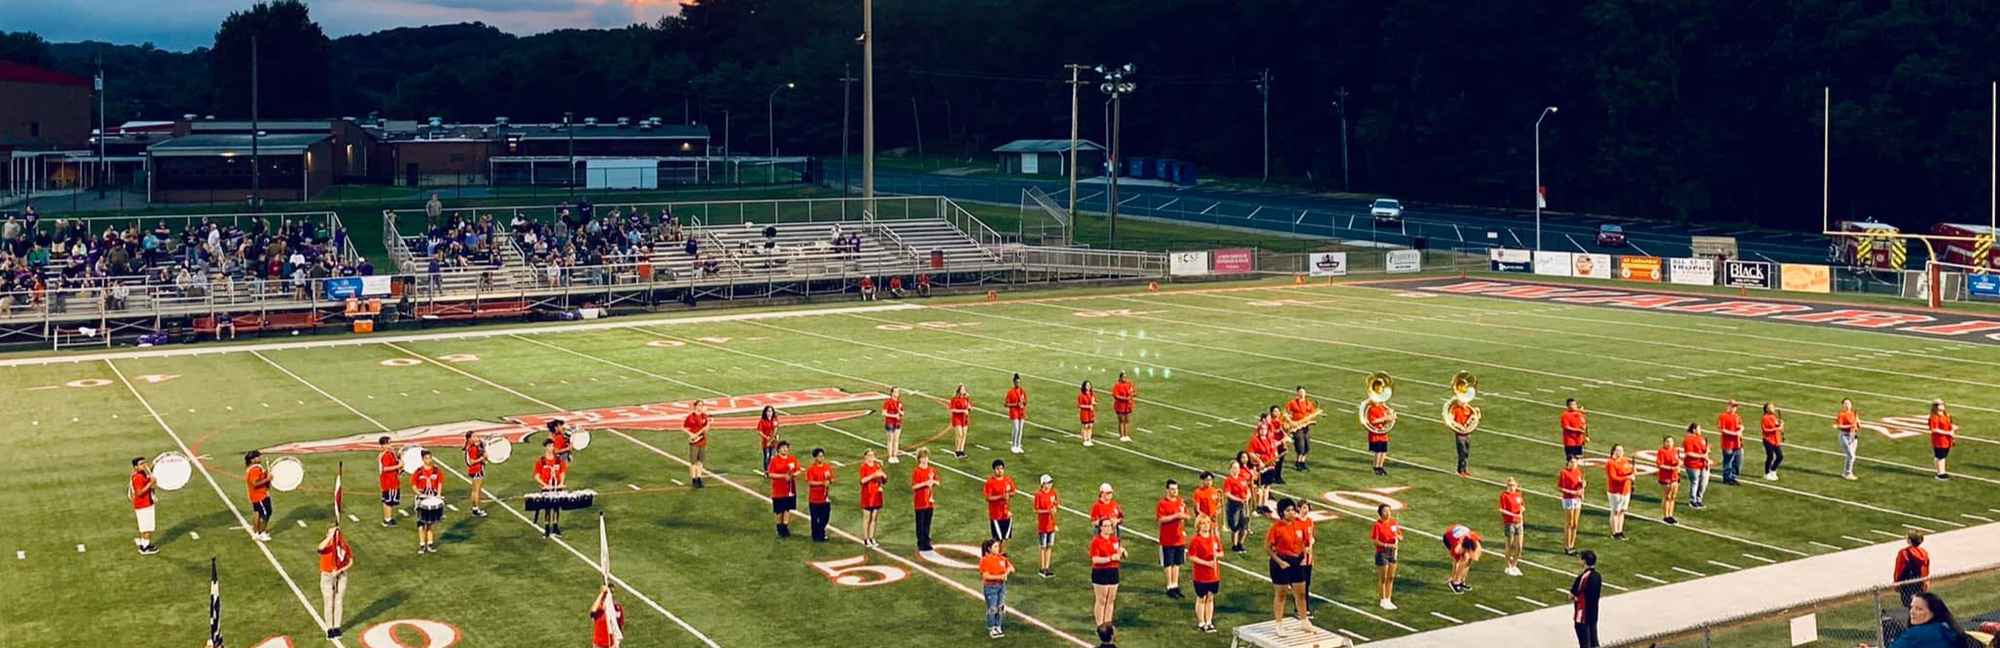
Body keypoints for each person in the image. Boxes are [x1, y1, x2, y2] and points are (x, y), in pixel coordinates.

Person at [1863, 592, 1974, 648]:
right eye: (1911, 607)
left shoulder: (1916, 635)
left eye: (1919, 609)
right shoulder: (1948, 627)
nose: (1912, 612)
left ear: (1933, 611)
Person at [1266, 499, 1309, 630]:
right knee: (1281, 594)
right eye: (1288, 510)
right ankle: (1279, 623)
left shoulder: (1300, 525)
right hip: (1281, 562)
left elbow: (1306, 544)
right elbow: (1268, 548)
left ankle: (1304, 621)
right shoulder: (1276, 528)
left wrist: (1304, 557)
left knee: (1301, 593)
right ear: (1281, 512)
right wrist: (1280, 562)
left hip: (1297, 561)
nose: (1291, 512)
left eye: (1292, 509)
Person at [1088, 518, 1127, 638]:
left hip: (1113, 571)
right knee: (1102, 600)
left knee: (1111, 599)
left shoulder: (1115, 539)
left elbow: (1118, 552)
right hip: (1100, 572)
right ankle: (1100, 626)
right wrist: (1110, 558)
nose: (1107, 528)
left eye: (1109, 526)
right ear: (1100, 528)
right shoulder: (1096, 541)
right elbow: (1095, 559)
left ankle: (1108, 624)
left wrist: (1123, 552)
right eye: (1105, 526)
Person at [1188, 514, 1223, 633]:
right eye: (1203, 523)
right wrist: (1206, 563)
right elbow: (1192, 557)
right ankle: (1201, 622)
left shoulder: (1214, 539)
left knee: (1211, 597)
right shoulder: (1196, 540)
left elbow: (1221, 552)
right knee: (1201, 598)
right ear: (1198, 526)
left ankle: (1209, 621)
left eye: (1208, 523)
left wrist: (1216, 555)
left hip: (1213, 575)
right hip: (1201, 575)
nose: (1206, 525)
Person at [318, 521, 353, 639]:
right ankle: (329, 628)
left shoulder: (343, 545)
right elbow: (320, 548)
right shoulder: (326, 544)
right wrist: (329, 537)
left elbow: (350, 561)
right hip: (327, 575)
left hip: (341, 575)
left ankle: (337, 627)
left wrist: (340, 570)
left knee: (339, 600)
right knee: (328, 601)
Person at [1156, 479, 1188, 599]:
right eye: (1172, 489)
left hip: (1179, 537)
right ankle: (1169, 586)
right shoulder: (1162, 503)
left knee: (1177, 563)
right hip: (1167, 538)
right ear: (1167, 490)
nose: (1175, 491)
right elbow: (1160, 519)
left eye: (1176, 489)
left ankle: (1175, 585)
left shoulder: (1181, 502)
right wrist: (1175, 516)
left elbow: (1186, 515)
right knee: (1168, 563)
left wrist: (1183, 516)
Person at [980, 538, 1016, 639]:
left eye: (998, 546)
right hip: (991, 587)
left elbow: (1011, 568)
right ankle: (991, 628)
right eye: (995, 546)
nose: (998, 548)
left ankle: (998, 626)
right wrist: (1000, 577)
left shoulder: (1001, 558)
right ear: (989, 549)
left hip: (1001, 586)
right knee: (992, 608)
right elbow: (985, 576)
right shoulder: (985, 560)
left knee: (1000, 607)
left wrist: (1006, 572)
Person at [766, 442, 802, 539]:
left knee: (787, 509)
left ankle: (785, 528)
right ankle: (779, 528)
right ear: (778, 450)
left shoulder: (792, 459)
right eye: (783, 448)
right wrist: (783, 476)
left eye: (786, 448)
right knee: (779, 511)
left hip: (790, 488)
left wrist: (793, 475)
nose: (785, 449)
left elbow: (798, 470)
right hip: (778, 489)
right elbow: (770, 474)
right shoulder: (775, 460)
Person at [533, 439, 568, 538]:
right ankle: (547, 528)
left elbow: (562, 472)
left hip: (556, 486)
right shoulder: (541, 461)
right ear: (546, 447)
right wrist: (544, 484)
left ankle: (556, 526)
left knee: (556, 507)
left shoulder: (558, 460)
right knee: (547, 508)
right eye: (549, 446)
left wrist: (561, 483)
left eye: (552, 446)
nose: (551, 448)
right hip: (547, 487)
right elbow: (536, 475)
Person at [412, 450, 444, 554]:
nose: (429, 460)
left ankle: (430, 544)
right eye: (426, 458)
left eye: (430, 458)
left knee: (429, 524)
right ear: (423, 459)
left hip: (432, 497)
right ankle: (422, 545)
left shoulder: (436, 470)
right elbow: (413, 485)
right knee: (421, 524)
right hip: (421, 499)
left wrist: (438, 495)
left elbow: (439, 483)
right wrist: (419, 494)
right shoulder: (418, 471)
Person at [1371, 504, 1402, 610]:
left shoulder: (1394, 522)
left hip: (1393, 552)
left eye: (1389, 511)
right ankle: (1383, 600)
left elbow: (1400, 535)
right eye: (1385, 511)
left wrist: (1399, 537)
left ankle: (1389, 599)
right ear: (1380, 513)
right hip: (1382, 553)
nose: (1388, 513)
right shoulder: (1377, 525)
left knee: (1391, 577)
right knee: (1383, 578)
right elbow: (1375, 541)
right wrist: (1387, 545)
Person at [129, 457, 160, 555]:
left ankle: (144, 544)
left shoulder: (140, 474)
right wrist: (151, 483)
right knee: (147, 528)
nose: (144, 465)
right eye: (141, 464)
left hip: (144, 504)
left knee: (145, 527)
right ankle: (145, 548)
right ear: (135, 467)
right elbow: (139, 493)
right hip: (144, 505)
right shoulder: (138, 477)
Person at [1225, 453, 1255, 553]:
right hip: (1234, 505)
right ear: (1230, 469)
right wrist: (1238, 499)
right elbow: (1227, 494)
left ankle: (1240, 544)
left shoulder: (1242, 479)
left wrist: (1248, 496)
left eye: (1237, 467)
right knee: (1235, 527)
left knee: (1245, 527)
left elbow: (1248, 490)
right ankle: (1234, 545)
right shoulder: (1229, 480)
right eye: (1234, 468)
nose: (1236, 469)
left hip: (1244, 505)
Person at [1285, 386, 1321, 471]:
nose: (1302, 393)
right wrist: (1291, 422)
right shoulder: (1293, 402)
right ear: (1297, 393)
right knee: (1300, 445)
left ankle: (1302, 462)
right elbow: (1286, 412)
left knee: (1307, 446)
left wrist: (1311, 420)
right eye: (1300, 392)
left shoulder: (1308, 403)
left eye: (1303, 392)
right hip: (1297, 427)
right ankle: (1298, 462)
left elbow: (1312, 414)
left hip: (1306, 427)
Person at [1443, 523, 1484, 593]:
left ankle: (1462, 581)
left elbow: (1474, 555)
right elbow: (1456, 563)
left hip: (1459, 531)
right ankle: (1455, 582)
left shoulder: (1474, 539)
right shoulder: (1457, 548)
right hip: (1448, 536)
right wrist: (1453, 577)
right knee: (1462, 560)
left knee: (1468, 560)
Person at [985, 459, 1018, 548]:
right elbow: (988, 498)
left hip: (1006, 513)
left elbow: (1013, 491)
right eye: (997, 469)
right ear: (994, 470)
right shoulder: (990, 482)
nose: (1000, 471)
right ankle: (997, 555)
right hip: (996, 514)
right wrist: (1001, 497)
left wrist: (1008, 494)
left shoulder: (1008, 480)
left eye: (1001, 468)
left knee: (1005, 537)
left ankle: (1002, 555)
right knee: (997, 538)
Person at [1572, 550, 1601, 648]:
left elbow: (1572, 594)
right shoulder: (1598, 576)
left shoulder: (1583, 577)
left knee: (1584, 643)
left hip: (1582, 614)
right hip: (1593, 612)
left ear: (1584, 561)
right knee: (1594, 641)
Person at [1605, 444, 1635, 540]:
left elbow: (1628, 471)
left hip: (1626, 490)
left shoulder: (1624, 460)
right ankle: (1614, 532)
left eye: (1622, 450)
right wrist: (1627, 477)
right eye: (1618, 450)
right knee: (1615, 511)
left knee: (1622, 511)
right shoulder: (1611, 463)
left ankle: (1620, 531)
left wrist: (1633, 472)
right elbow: (1614, 478)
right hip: (1615, 491)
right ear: (1613, 451)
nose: (1621, 452)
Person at [912, 449, 940, 552]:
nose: (925, 460)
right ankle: (921, 542)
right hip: (920, 501)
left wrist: (934, 482)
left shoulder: (931, 470)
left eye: (926, 457)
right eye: (923, 458)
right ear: (919, 459)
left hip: (929, 501)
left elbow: (937, 482)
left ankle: (927, 541)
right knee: (920, 523)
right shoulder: (917, 471)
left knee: (927, 522)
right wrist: (925, 483)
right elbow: (914, 486)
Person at [806, 447, 835, 542]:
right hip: (814, 498)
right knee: (815, 519)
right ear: (815, 457)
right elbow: (810, 482)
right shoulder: (811, 469)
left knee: (825, 517)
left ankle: (820, 531)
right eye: (819, 456)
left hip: (825, 497)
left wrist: (829, 480)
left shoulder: (827, 467)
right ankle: (816, 536)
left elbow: (832, 479)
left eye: (822, 456)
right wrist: (822, 483)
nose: (821, 458)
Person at [1558, 455, 1587, 554]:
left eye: (1576, 462)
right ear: (1568, 462)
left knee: (1575, 523)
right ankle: (1567, 546)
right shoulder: (1564, 472)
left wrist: (1583, 487)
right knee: (1569, 523)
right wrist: (1572, 492)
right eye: (1573, 462)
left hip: (1577, 499)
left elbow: (1580, 484)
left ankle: (1572, 544)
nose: (1574, 464)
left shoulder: (1578, 471)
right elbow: (1560, 488)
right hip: (1569, 499)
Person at [1034, 474, 1060, 578]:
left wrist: (1054, 508)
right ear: (1043, 484)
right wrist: (1047, 511)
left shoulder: (1053, 493)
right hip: (1043, 525)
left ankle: (1047, 567)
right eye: (1048, 483)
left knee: (1049, 546)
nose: (1050, 484)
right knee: (1043, 547)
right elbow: (1037, 509)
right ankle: (1042, 567)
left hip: (1051, 524)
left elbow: (1055, 504)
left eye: (1050, 482)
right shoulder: (1038, 495)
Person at [1895, 532, 1931, 608]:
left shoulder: (1904, 553)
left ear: (1910, 540)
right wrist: (1926, 581)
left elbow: (1899, 569)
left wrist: (1897, 582)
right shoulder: (1924, 552)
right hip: (1920, 581)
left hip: (1907, 582)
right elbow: (1926, 568)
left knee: (1910, 606)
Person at [859, 450, 886, 548]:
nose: (871, 457)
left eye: (873, 455)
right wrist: (873, 476)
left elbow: (884, 480)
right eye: (869, 455)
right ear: (865, 457)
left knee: (874, 518)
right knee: (867, 518)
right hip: (867, 495)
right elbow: (862, 480)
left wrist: (883, 476)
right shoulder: (864, 467)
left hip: (877, 495)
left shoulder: (877, 466)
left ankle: (872, 537)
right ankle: (866, 539)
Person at [1499, 478, 1526, 576]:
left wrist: (1521, 511)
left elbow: (1522, 506)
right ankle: (1508, 566)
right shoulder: (1504, 496)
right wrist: (1513, 515)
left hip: (1519, 523)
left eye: (1513, 485)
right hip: (1509, 523)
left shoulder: (1518, 495)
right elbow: (1502, 510)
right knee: (1509, 546)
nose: (1511, 487)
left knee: (1519, 546)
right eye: (1509, 485)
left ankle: (1514, 564)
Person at [1364, 395, 1396, 476]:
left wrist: (1391, 417)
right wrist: (1385, 418)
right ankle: (1376, 467)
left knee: (1384, 451)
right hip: (1376, 432)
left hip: (1383, 432)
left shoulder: (1382, 408)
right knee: (1378, 451)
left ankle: (1381, 466)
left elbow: (1385, 420)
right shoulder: (1371, 409)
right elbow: (1373, 421)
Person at [246, 451, 274, 542]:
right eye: (258, 457)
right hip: (260, 495)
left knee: (257, 512)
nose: (259, 458)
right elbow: (255, 483)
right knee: (266, 513)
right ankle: (262, 533)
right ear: (253, 459)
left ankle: (256, 533)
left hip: (256, 495)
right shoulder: (255, 470)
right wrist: (268, 479)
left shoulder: (254, 468)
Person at [1682, 423, 1712, 509]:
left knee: (1704, 483)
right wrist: (1702, 456)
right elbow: (1689, 453)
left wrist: (1707, 451)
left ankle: (1699, 499)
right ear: (1694, 430)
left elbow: (1704, 450)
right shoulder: (1688, 440)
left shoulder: (1701, 438)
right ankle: (1693, 500)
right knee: (1695, 482)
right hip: (1693, 465)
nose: (1700, 430)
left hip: (1703, 464)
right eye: (1699, 428)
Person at [1448, 392, 1478, 476]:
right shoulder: (1455, 408)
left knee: (1466, 452)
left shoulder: (1468, 409)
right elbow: (1451, 420)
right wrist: (1459, 426)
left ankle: (1465, 469)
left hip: (1467, 432)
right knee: (1462, 451)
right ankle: (1459, 470)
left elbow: (1474, 418)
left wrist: (1477, 414)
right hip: (1460, 432)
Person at [683, 401, 711, 489]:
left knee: (700, 461)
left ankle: (699, 478)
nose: (701, 407)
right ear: (695, 406)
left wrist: (706, 428)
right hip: (694, 441)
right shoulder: (691, 417)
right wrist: (691, 434)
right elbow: (683, 427)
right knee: (693, 462)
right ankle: (694, 479)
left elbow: (706, 428)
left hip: (702, 440)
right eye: (699, 405)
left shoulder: (704, 416)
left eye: (702, 405)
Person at [377, 436, 403, 527]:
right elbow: (386, 468)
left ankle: (387, 518)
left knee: (386, 501)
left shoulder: (389, 454)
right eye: (388, 443)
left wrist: (398, 456)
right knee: (389, 502)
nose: (390, 445)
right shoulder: (386, 455)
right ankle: (387, 520)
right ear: (383, 445)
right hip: (390, 482)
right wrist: (399, 466)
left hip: (388, 481)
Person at [1656, 435, 1682, 525]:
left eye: (1671, 441)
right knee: (1667, 496)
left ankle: (1671, 514)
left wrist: (1678, 466)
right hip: (1666, 477)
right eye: (1668, 441)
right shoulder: (1662, 451)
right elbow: (1660, 464)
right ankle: (1666, 515)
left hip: (1675, 476)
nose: (1670, 443)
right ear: (1664, 443)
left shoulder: (1675, 450)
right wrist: (1670, 468)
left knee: (1673, 496)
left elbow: (1678, 461)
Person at [1718, 400, 1746, 485]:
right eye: (1733, 406)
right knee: (1728, 462)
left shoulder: (1737, 416)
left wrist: (1741, 429)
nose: (1735, 408)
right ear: (1728, 406)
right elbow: (1722, 429)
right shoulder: (1723, 416)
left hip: (1738, 443)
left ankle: (1733, 477)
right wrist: (1734, 433)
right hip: (1728, 444)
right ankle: (1727, 478)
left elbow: (1741, 425)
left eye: (1735, 406)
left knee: (1738, 461)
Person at [589, 584, 625, 648]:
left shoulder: (618, 608)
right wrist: (602, 593)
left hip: (612, 644)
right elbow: (592, 613)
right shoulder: (600, 608)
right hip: (599, 645)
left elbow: (620, 625)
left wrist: (617, 642)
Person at [1928, 400, 1956, 480]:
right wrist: (1948, 433)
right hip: (1939, 440)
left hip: (1947, 439)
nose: (1943, 406)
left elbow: (1950, 424)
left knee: (1943, 456)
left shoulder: (1946, 415)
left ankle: (1942, 471)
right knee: (1940, 456)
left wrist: (1953, 429)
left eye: (1943, 404)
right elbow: (1934, 429)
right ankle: (1940, 473)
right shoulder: (1934, 417)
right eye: (1940, 404)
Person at [1835, 399, 1862, 480]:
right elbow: (1840, 426)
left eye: (1849, 403)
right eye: (1845, 403)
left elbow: (1858, 423)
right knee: (1851, 456)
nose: (1847, 405)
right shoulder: (1841, 414)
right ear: (1843, 405)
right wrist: (1850, 426)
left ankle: (1846, 472)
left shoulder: (1854, 413)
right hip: (1844, 436)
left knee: (1850, 456)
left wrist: (1858, 424)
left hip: (1853, 436)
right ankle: (1848, 473)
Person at [1761, 403, 1787, 481]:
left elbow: (1779, 428)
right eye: (1771, 407)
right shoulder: (1765, 418)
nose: (1773, 408)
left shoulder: (1774, 417)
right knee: (1770, 457)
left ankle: (1773, 470)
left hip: (1776, 440)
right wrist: (1778, 428)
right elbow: (1765, 430)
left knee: (1780, 456)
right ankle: (1766, 473)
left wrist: (1781, 424)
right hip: (1768, 440)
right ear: (1767, 409)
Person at [948, 384, 973, 460]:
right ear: (959, 390)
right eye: (962, 389)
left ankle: (961, 451)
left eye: (964, 389)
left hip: (964, 418)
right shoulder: (954, 399)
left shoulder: (966, 398)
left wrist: (969, 408)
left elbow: (969, 406)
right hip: (957, 418)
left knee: (964, 435)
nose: (964, 390)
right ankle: (957, 451)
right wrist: (962, 411)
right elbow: (952, 409)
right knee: (959, 434)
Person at [1005, 375, 1028, 454]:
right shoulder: (1010, 392)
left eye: (1019, 382)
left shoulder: (1022, 391)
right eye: (1016, 382)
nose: (1018, 383)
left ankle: (1018, 445)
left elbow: (1025, 401)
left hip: (1021, 412)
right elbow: (1006, 404)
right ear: (1014, 382)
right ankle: (1013, 445)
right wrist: (1015, 404)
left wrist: (1023, 403)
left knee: (1021, 429)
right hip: (1014, 412)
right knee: (1016, 429)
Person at [1111, 373, 1137, 442]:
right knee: (1121, 420)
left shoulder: (1129, 384)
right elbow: (1115, 395)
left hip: (1127, 405)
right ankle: (1122, 435)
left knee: (1127, 420)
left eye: (1126, 377)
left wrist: (1132, 395)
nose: (1125, 378)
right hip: (1120, 405)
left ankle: (1126, 435)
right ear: (1120, 378)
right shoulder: (1117, 385)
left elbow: (1134, 393)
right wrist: (1125, 398)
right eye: (1123, 377)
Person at [884, 387, 904, 464]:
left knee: (896, 440)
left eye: (898, 392)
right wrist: (894, 416)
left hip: (898, 422)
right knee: (890, 440)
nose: (897, 393)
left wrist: (899, 411)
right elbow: (884, 413)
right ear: (892, 393)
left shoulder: (899, 402)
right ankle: (890, 456)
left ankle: (895, 456)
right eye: (895, 391)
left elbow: (902, 413)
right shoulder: (888, 402)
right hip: (890, 422)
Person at [757, 406, 781, 471]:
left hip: (773, 441)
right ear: (765, 412)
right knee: (766, 456)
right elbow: (759, 431)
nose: (769, 413)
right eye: (768, 411)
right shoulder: (762, 421)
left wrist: (771, 439)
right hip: (766, 441)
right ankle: (766, 471)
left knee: (772, 456)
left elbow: (775, 430)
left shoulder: (775, 420)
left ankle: (771, 469)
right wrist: (766, 437)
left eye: (770, 411)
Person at [1078, 380, 1099, 447]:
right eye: (1087, 385)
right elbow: (1080, 405)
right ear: (1084, 386)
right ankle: (1085, 440)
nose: (1088, 387)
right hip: (1084, 412)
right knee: (1085, 426)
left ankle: (1089, 439)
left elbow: (1094, 402)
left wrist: (1094, 403)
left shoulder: (1092, 394)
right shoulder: (1081, 395)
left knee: (1090, 426)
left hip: (1091, 412)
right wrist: (1088, 406)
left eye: (1089, 385)